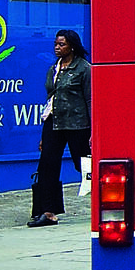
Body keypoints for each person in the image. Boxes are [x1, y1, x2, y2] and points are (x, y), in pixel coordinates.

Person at [29, 29, 91, 227]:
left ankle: (104, 205)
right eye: (56, 44)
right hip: (53, 122)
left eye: (61, 44)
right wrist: (43, 136)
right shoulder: (53, 69)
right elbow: (50, 99)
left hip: (77, 124)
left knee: (82, 165)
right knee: (47, 165)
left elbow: (90, 100)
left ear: (72, 46)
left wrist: (95, 131)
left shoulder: (84, 69)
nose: (57, 47)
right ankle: (48, 212)